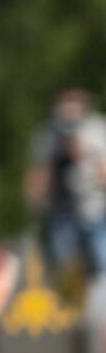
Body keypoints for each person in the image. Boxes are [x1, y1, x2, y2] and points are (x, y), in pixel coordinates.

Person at [25, 89, 106, 283]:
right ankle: (70, 306)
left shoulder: (97, 130)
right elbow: (41, 171)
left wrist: (85, 160)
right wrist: (34, 200)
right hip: (62, 208)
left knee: (101, 256)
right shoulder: (48, 135)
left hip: (93, 207)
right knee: (65, 260)